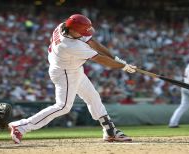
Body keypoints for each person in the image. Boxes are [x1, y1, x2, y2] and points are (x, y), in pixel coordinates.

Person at [8, 14, 136, 144]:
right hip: (65, 73)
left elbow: (93, 42)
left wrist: (115, 58)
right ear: (73, 30)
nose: (84, 34)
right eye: (82, 32)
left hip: (73, 68)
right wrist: (123, 66)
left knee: (93, 97)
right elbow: (101, 60)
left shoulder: (64, 26)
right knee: (63, 106)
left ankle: (110, 131)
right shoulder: (71, 45)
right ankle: (21, 126)